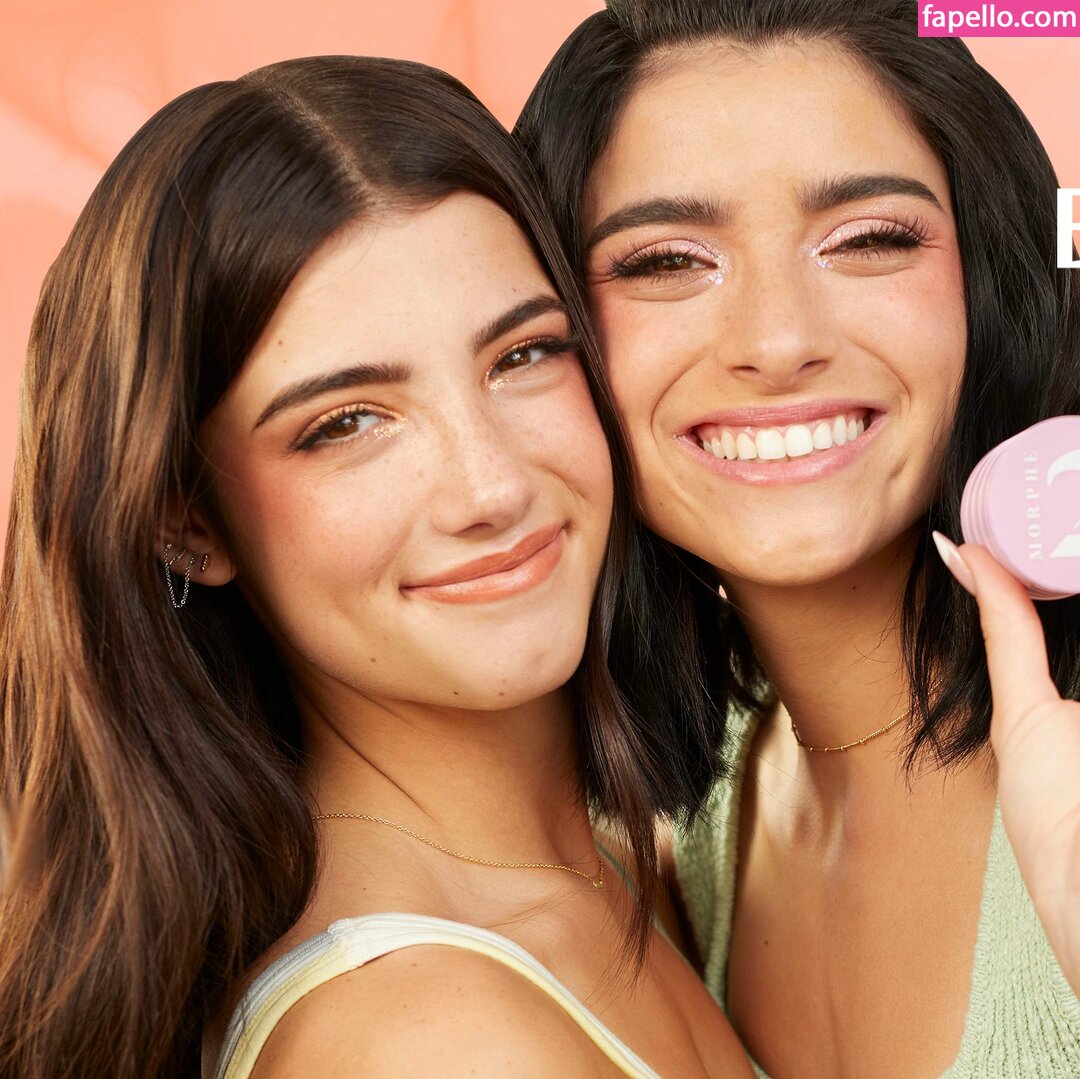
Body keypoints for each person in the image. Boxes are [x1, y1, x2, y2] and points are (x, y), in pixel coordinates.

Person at [0, 55, 755, 1078]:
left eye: (522, 355)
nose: (490, 485)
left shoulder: (639, 865)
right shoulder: (425, 1038)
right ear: (188, 523)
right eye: (348, 422)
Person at [515, 1, 1080, 1076]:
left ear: (990, 277)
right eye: (666, 260)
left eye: (868, 240)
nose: (778, 342)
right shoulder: (694, 805)